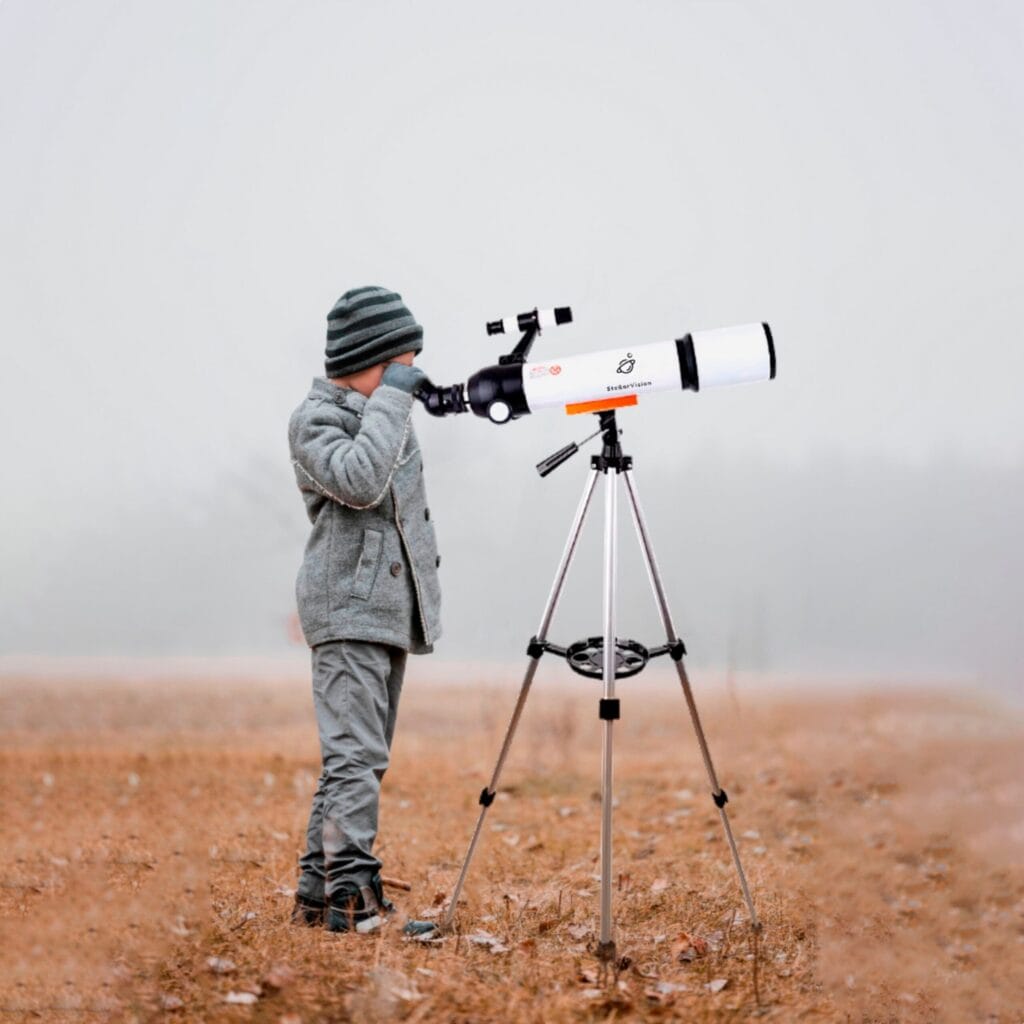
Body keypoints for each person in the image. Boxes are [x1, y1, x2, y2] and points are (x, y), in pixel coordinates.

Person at [286, 285, 441, 933]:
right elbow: (359, 479)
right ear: (371, 359)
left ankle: (318, 893)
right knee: (353, 757)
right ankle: (352, 898)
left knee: (361, 756)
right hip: (346, 610)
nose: (407, 376)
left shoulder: (382, 414)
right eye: (399, 363)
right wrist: (396, 398)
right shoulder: (314, 421)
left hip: (381, 612)